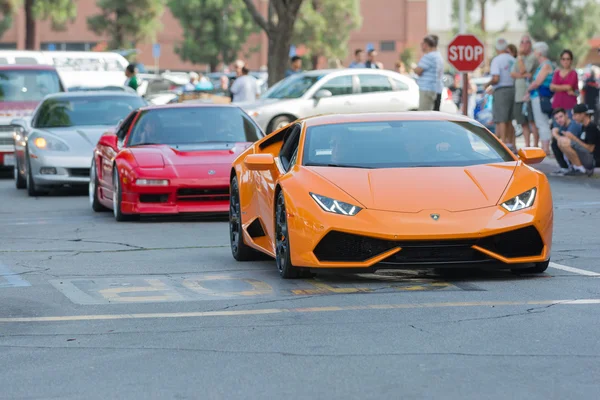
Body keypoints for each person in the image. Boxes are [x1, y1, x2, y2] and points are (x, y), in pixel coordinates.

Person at [485, 38, 516, 150]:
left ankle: (503, 144)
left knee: (501, 118)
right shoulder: (512, 59)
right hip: (513, 89)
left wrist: (487, 84)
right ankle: (512, 143)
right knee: (509, 119)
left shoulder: (497, 60)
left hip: (501, 91)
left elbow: (496, 78)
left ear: (497, 48)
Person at [524, 41, 554, 155]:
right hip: (537, 97)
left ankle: (545, 149)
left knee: (542, 123)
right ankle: (544, 147)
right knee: (541, 123)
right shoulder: (543, 65)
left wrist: (527, 90)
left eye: (535, 50)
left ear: (540, 52)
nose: (534, 53)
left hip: (541, 97)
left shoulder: (546, 65)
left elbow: (537, 82)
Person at [511, 34, 539, 148]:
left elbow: (524, 70)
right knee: (523, 123)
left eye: (526, 42)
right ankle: (527, 145)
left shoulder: (532, 57)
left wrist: (520, 57)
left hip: (529, 94)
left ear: (530, 44)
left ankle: (536, 145)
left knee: (532, 121)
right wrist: (523, 75)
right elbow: (512, 73)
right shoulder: (518, 59)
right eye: (522, 42)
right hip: (519, 95)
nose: (524, 44)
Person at [558, 103, 599, 176]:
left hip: (593, 160)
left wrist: (573, 138)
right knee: (561, 141)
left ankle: (581, 169)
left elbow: (590, 149)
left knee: (565, 142)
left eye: (575, 115)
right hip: (587, 157)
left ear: (583, 114)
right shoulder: (583, 126)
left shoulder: (591, 127)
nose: (573, 118)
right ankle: (575, 167)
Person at [550, 107, 583, 175]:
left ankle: (578, 168)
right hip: (576, 150)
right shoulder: (562, 126)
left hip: (583, 153)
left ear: (566, 115)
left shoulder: (573, 125)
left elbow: (565, 142)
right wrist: (554, 135)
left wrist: (555, 134)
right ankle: (564, 168)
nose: (559, 120)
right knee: (554, 143)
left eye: (561, 117)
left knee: (562, 142)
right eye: (556, 118)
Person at [414, 35, 443, 111]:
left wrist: (414, 68)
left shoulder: (429, 56)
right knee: (434, 115)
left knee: (424, 115)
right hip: (436, 89)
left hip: (427, 89)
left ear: (426, 45)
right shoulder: (438, 56)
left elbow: (418, 70)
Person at [550, 49, 579, 115]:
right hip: (557, 106)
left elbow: (569, 87)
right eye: (563, 59)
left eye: (568, 59)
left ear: (571, 61)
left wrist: (556, 87)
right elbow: (551, 87)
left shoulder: (573, 73)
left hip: (569, 106)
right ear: (561, 61)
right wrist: (565, 88)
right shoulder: (557, 73)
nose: (565, 61)